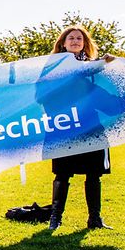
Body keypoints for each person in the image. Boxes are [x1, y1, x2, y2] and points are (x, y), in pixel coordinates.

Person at [47, 25, 114, 231]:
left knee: (94, 173)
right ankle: (55, 218)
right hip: (65, 127)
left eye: (79, 38)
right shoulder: (53, 69)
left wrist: (107, 65)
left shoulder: (93, 68)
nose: (75, 41)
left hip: (91, 126)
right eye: (71, 38)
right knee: (63, 173)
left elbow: (102, 94)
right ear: (63, 43)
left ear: (84, 43)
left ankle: (95, 219)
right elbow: (44, 96)